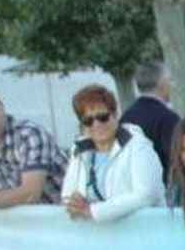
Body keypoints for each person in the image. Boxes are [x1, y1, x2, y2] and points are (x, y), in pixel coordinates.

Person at [60, 83, 164, 223]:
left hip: (141, 234)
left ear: (115, 114)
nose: (96, 124)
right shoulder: (78, 150)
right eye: (88, 120)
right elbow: (67, 195)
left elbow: (146, 194)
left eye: (102, 117)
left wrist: (94, 211)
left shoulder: (138, 145)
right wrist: (73, 201)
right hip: (97, 237)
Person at [0, 81, 66, 207]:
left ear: (2, 107)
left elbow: (30, 194)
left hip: (59, 216)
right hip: (20, 220)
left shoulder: (29, 134)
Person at [119, 61, 179, 179]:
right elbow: (175, 159)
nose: (173, 85)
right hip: (161, 188)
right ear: (161, 84)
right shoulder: (168, 119)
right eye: (170, 80)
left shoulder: (125, 117)